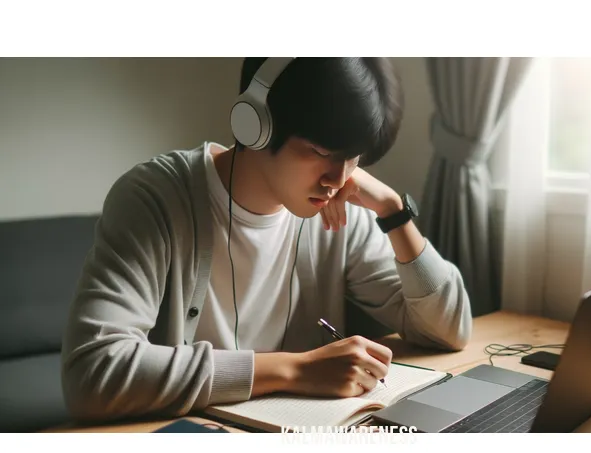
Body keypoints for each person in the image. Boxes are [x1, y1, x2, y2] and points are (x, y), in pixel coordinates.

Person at [61, 57, 472, 423]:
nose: (339, 178)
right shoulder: (154, 199)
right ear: (254, 123)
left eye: (354, 157)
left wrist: (392, 212)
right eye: (320, 150)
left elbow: (449, 331)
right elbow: (93, 372)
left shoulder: (337, 211)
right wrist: (295, 370)